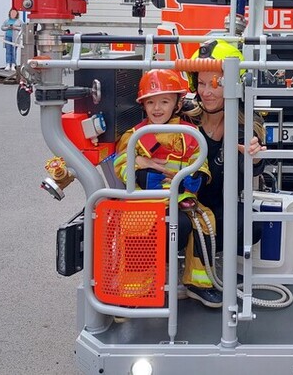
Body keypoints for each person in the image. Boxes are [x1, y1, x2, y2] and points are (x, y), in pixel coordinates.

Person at [112, 68, 221, 308]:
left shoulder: (190, 134)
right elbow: (119, 164)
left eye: (164, 101)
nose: (157, 108)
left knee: (206, 221)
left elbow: (201, 164)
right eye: (151, 102)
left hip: (180, 198)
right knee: (135, 226)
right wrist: (140, 170)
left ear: (177, 103)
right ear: (143, 105)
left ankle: (198, 283)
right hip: (145, 201)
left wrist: (195, 179)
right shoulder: (134, 136)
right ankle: (136, 289)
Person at [183, 39, 267, 254]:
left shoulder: (247, 124)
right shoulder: (184, 118)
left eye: (214, 83)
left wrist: (254, 157)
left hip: (220, 211)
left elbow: (250, 166)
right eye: (201, 83)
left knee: (249, 227)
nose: (206, 92)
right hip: (184, 206)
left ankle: (205, 253)